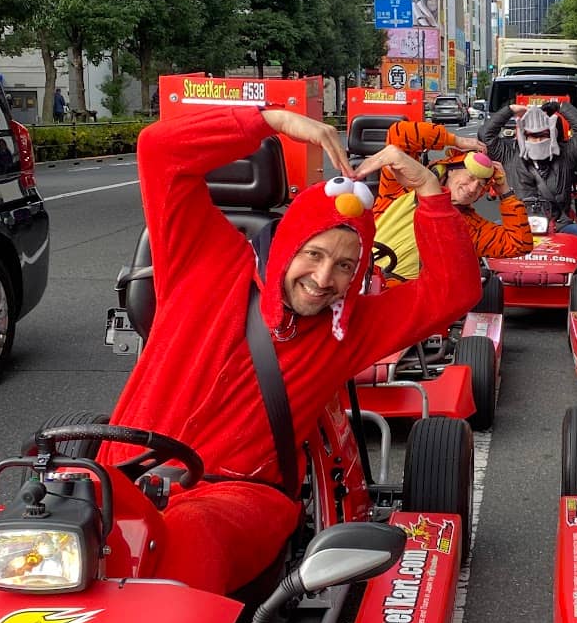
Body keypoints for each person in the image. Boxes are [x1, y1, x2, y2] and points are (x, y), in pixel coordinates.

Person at [101, 103, 482, 595]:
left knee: (185, 542)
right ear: (286, 245)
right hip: (124, 474)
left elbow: (454, 292)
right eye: (315, 254)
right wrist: (272, 121)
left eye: (345, 267)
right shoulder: (206, 259)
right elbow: (160, 150)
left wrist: (430, 191)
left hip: (234, 496)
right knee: (40, 511)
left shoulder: (352, 329)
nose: (325, 280)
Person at [372, 118, 533, 277]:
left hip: (408, 298)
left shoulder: (470, 227)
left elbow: (519, 244)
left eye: (480, 185)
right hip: (358, 281)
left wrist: (505, 192)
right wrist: (456, 140)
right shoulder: (404, 185)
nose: (472, 189)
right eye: (470, 177)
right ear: (450, 169)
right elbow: (399, 134)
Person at [480, 99, 577, 232]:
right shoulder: (509, 155)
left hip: (558, 224)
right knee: (492, 236)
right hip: (518, 223)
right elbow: (485, 135)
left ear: (552, 135)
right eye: (533, 137)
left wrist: (560, 107)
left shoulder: (566, 155)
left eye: (543, 136)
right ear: (524, 137)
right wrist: (510, 110)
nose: (538, 141)